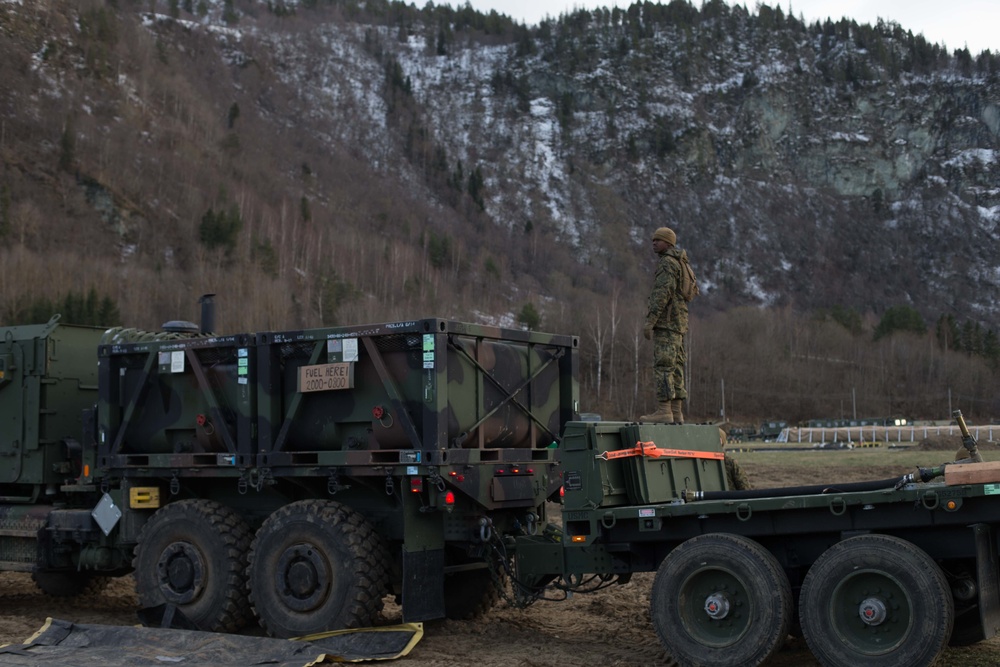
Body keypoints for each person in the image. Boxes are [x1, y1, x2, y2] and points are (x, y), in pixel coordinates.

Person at [640, 226, 688, 424]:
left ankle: (664, 410)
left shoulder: (667, 263)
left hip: (667, 323)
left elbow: (661, 294)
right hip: (678, 324)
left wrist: (650, 321)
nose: (654, 243)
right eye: (653, 239)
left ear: (669, 243)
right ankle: (676, 412)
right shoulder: (679, 262)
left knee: (664, 366)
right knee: (676, 366)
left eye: (657, 240)